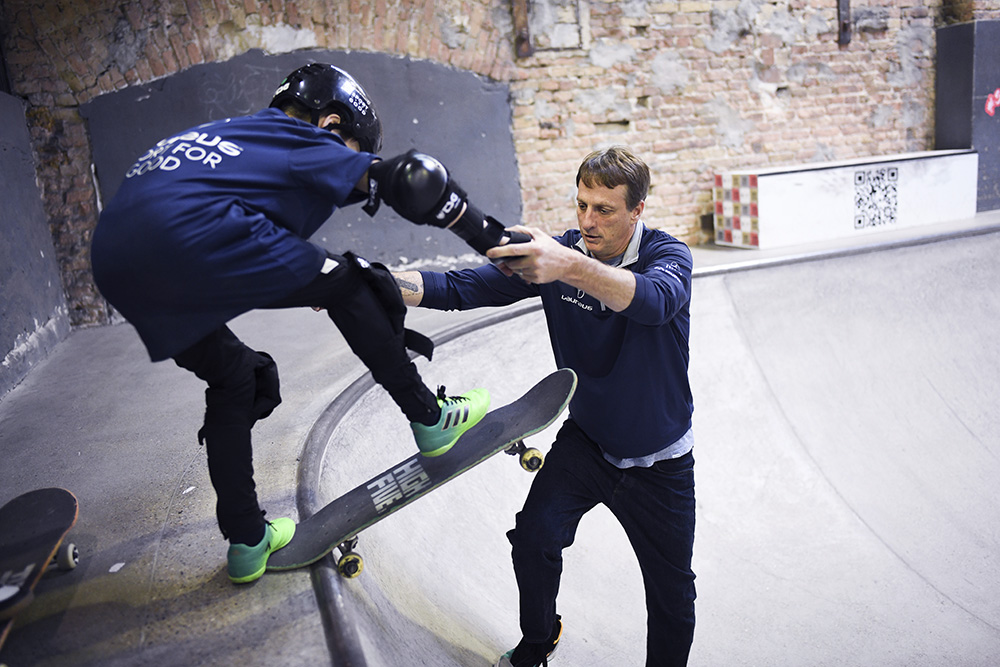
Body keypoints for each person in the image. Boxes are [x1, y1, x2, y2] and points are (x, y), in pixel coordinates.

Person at [90, 63, 519, 584]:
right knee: (355, 283)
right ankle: (430, 420)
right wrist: (492, 239)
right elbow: (415, 178)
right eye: (351, 148)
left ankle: (248, 542)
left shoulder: (228, 138)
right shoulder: (298, 135)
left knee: (236, 377)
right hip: (190, 231)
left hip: (116, 259)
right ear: (331, 124)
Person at [394, 146, 696, 666]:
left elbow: (652, 301)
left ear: (637, 209)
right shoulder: (562, 253)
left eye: (604, 210)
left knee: (672, 596)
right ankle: (538, 640)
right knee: (532, 538)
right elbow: (466, 287)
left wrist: (569, 266)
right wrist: (377, 286)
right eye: (582, 205)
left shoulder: (668, 257)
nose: (588, 221)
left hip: (661, 462)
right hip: (588, 444)